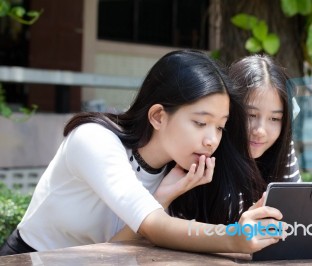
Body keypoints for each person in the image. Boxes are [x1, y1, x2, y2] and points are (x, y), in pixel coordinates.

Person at [0, 50, 285, 256]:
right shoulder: (94, 140)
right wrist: (234, 236)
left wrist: (162, 197)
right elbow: (152, 226)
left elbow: (115, 246)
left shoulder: (178, 171)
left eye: (220, 127)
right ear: (159, 116)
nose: (212, 139)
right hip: (28, 259)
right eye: (200, 122)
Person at [229, 54, 301, 183]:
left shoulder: (281, 146)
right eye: (250, 115)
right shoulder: (208, 153)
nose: (260, 131)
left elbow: (295, 200)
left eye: (274, 118)